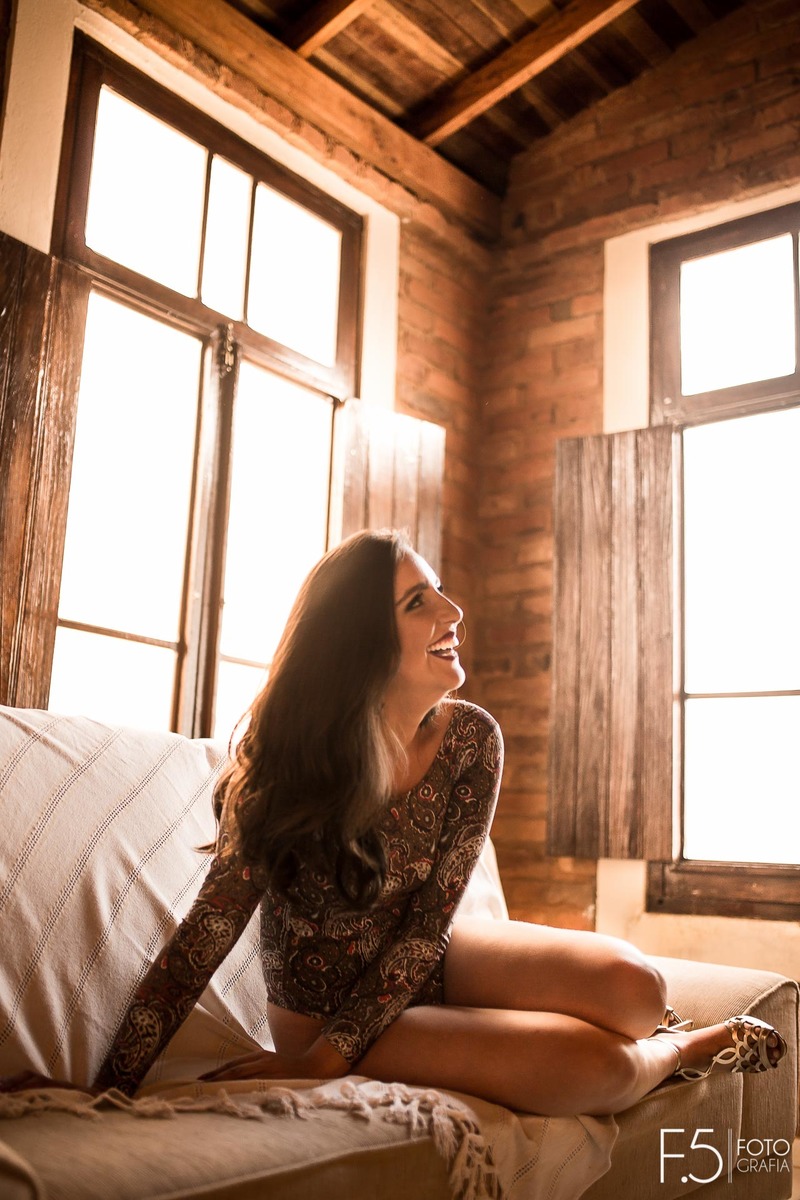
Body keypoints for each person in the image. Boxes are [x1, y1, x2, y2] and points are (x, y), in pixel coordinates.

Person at [91, 529, 785, 1114]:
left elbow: (429, 926)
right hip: (328, 1021)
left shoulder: (472, 741)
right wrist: (107, 1091)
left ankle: (654, 1026)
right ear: (361, 644)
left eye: (441, 589)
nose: (453, 611)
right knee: (596, 1066)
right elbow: (199, 942)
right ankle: (682, 1049)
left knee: (637, 990)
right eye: (419, 602)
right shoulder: (285, 771)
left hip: (434, 958)